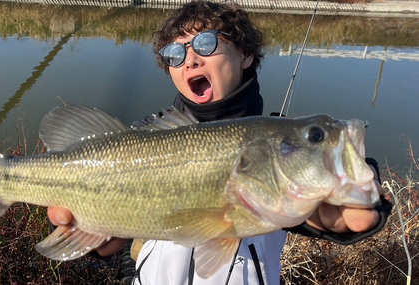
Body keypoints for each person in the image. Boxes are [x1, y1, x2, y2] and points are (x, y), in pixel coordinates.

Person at [48, 1, 392, 284]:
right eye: (174, 54)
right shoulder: (144, 135)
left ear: (245, 55)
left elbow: (318, 202)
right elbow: (111, 238)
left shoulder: (277, 140)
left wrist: (366, 193)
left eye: (205, 44)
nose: (190, 60)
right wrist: (95, 237)